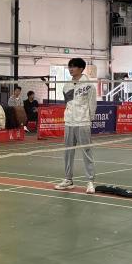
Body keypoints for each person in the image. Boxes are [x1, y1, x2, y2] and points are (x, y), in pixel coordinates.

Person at [54, 58, 97, 194]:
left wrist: (89, 120)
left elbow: (92, 104)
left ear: (81, 68)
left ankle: (90, 181)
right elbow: (68, 103)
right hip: (69, 122)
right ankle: (68, 179)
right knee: (68, 152)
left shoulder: (88, 85)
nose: (71, 69)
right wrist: (67, 117)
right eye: (69, 67)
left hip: (83, 122)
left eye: (73, 67)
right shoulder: (67, 85)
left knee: (86, 152)